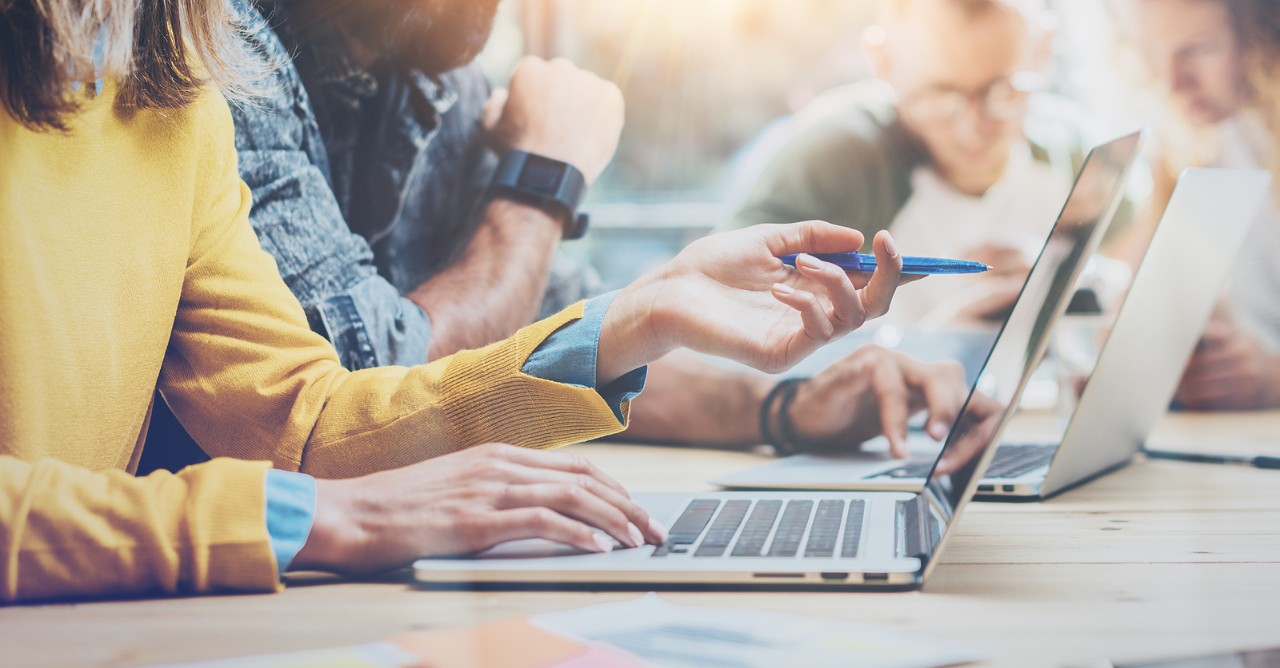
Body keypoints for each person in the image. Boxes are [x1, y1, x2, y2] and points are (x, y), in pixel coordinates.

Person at [0, 0, 911, 602]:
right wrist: (317, 517)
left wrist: (636, 319)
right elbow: (317, 476)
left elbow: (303, 420)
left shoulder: (174, 91)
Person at [187, 0, 969, 466]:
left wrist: (790, 410)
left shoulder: (435, 69)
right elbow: (358, 404)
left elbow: (549, 346)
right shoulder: (216, 49)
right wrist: (543, 178)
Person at [726, 0, 1107, 326]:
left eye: (1005, 91)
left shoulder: (1073, 152)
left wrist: (1068, 280)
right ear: (884, 62)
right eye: (938, 96)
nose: (972, 129)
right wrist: (931, 347)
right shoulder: (838, 159)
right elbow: (721, 305)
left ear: (1043, 51)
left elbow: (1129, 254)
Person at [1116, 0, 1280, 410]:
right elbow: (1147, 297)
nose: (1172, 81)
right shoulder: (1196, 145)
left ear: (1264, 38)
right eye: (1154, 53)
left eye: (1198, 50)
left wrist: (1273, 379)